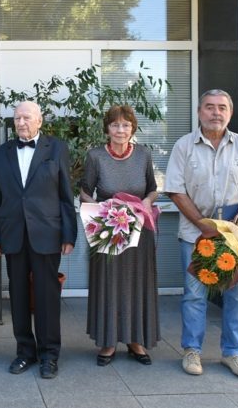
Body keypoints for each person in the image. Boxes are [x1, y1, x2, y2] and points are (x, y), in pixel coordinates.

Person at [164, 89, 238, 378]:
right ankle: (192, 351)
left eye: (222, 107)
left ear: (230, 113)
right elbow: (175, 190)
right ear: (199, 112)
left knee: (237, 295)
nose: (216, 112)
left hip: (236, 237)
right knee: (194, 296)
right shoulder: (183, 146)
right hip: (195, 235)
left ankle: (233, 354)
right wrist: (203, 225)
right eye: (209, 107)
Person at [0, 101, 76, 379]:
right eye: (17, 119)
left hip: (47, 233)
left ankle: (49, 354)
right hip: (13, 233)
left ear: (39, 120)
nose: (21, 123)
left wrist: (68, 233)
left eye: (26, 117)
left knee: (47, 296)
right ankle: (24, 351)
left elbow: (65, 194)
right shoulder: (1, 153)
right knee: (18, 295)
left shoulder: (56, 148)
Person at [81, 105, 160, 366]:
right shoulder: (95, 156)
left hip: (139, 229)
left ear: (132, 129)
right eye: (115, 125)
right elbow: (84, 192)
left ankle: (135, 340)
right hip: (108, 229)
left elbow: (152, 189)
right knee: (108, 284)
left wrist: (148, 202)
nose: (120, 130)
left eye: (125, 125)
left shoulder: (143, 155)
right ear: (107, 128)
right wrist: (101, 209)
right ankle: (107, 341)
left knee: (137, 284)